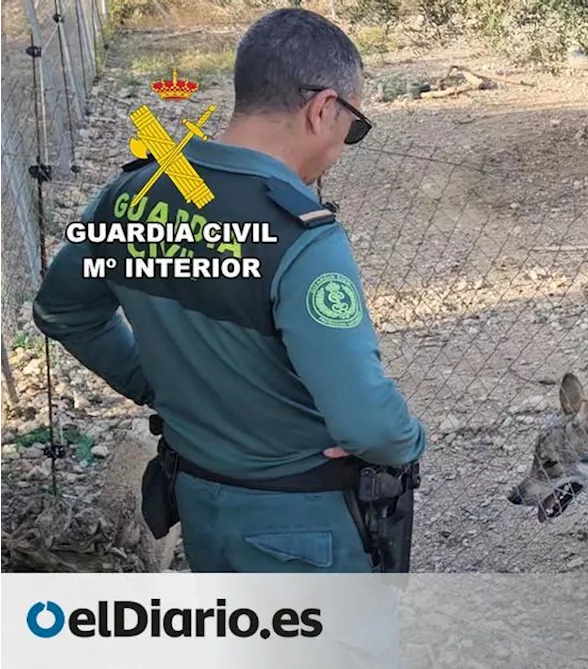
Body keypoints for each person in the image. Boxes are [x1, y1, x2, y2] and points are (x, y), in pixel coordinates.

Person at [31, 7, 426, 574]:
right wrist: (408, 439)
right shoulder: (303, 238)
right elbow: (368, 426)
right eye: (353, 127)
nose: (345, 144)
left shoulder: (135, 195)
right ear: (323, 109)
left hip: (200, 505)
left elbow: (63, 310)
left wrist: (159, 384)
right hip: (305, 528)